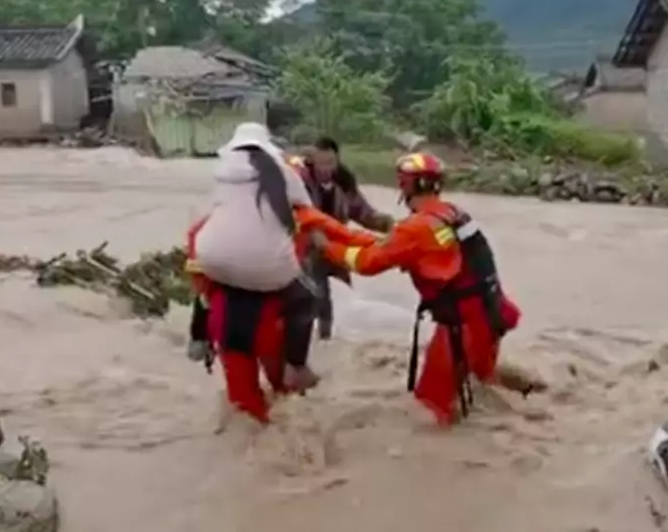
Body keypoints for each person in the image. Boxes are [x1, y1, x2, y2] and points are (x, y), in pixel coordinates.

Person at [185, 122, 377, 424]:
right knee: (287, 395)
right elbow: (327, 227)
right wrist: (380, 243)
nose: (327, 167)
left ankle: (198, 340)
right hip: (273, 314)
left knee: (244, 408)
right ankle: (296, 366)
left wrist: (200, 334)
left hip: (224, 320)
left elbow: (199, 273)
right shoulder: (290, 183)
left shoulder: (216, 196)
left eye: (331, 161)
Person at [316, 152, 522, 426]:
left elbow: (366, 263)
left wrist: (324, 247)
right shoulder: (452, 214)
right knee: (485, 384)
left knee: (430, 408)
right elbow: (392, 245)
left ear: (406, 186)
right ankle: (530, 395)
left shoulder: (415, 229)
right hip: (491, 315)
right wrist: (337, 232)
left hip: (459, 330)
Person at [289, 137, 395, 340]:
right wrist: (312, 234)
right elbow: (292, 214)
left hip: (335, 247)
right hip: (307, 250)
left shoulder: (344, 182)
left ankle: (332, 341)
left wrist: (387, 224)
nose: (326, 168)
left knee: (342, 298)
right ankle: (320, 343)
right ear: (312, 160)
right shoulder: (298, 182)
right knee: (317, 297)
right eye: (322, 163)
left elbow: (363, 213)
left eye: (331, 163)